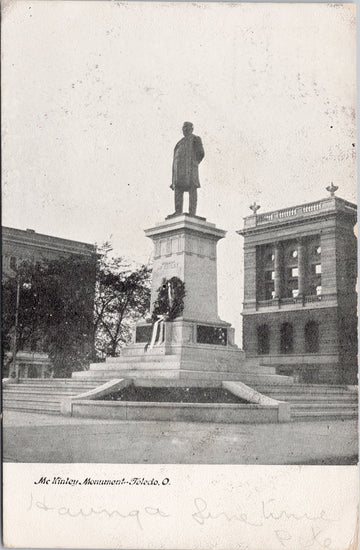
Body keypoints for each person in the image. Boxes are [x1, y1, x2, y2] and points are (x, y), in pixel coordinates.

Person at [170, 122, 204, 216]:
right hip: (178, 172)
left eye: (187, 127)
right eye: (183, 128)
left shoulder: (195, 139)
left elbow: (201, 153)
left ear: (191, 129)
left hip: (190, 169)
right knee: (178, 190)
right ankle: (178, 211)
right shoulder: (179, 142)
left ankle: (192, 212)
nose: (184, 129)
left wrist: (193, 164)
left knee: (192, 188)